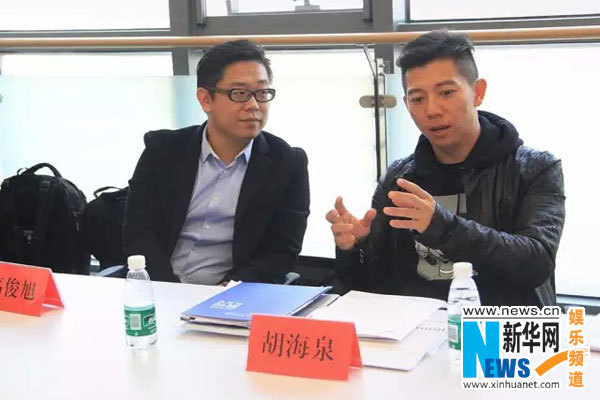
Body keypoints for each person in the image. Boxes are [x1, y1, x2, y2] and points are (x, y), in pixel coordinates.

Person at [326, 30, 565, 306]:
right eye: (418, 98)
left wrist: (442, 226)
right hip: (414, 327)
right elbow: (370, 287)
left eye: (446, 92)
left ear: (477, 92)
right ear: (406, 104)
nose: (432, 110)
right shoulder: (399, 178)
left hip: (499, 326)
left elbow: (537, 262)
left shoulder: (534, 168)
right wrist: (355, 248)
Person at [124, 40, 310, 285]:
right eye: (240, 94)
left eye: (262, 93)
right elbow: (139, 232)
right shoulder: (163, 151)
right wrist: (170, 290)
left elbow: (281, 251)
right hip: (158, 287)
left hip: (231, 295)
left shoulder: (287, 164)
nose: (254, 105)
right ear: (205, 99)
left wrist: (228, 292)